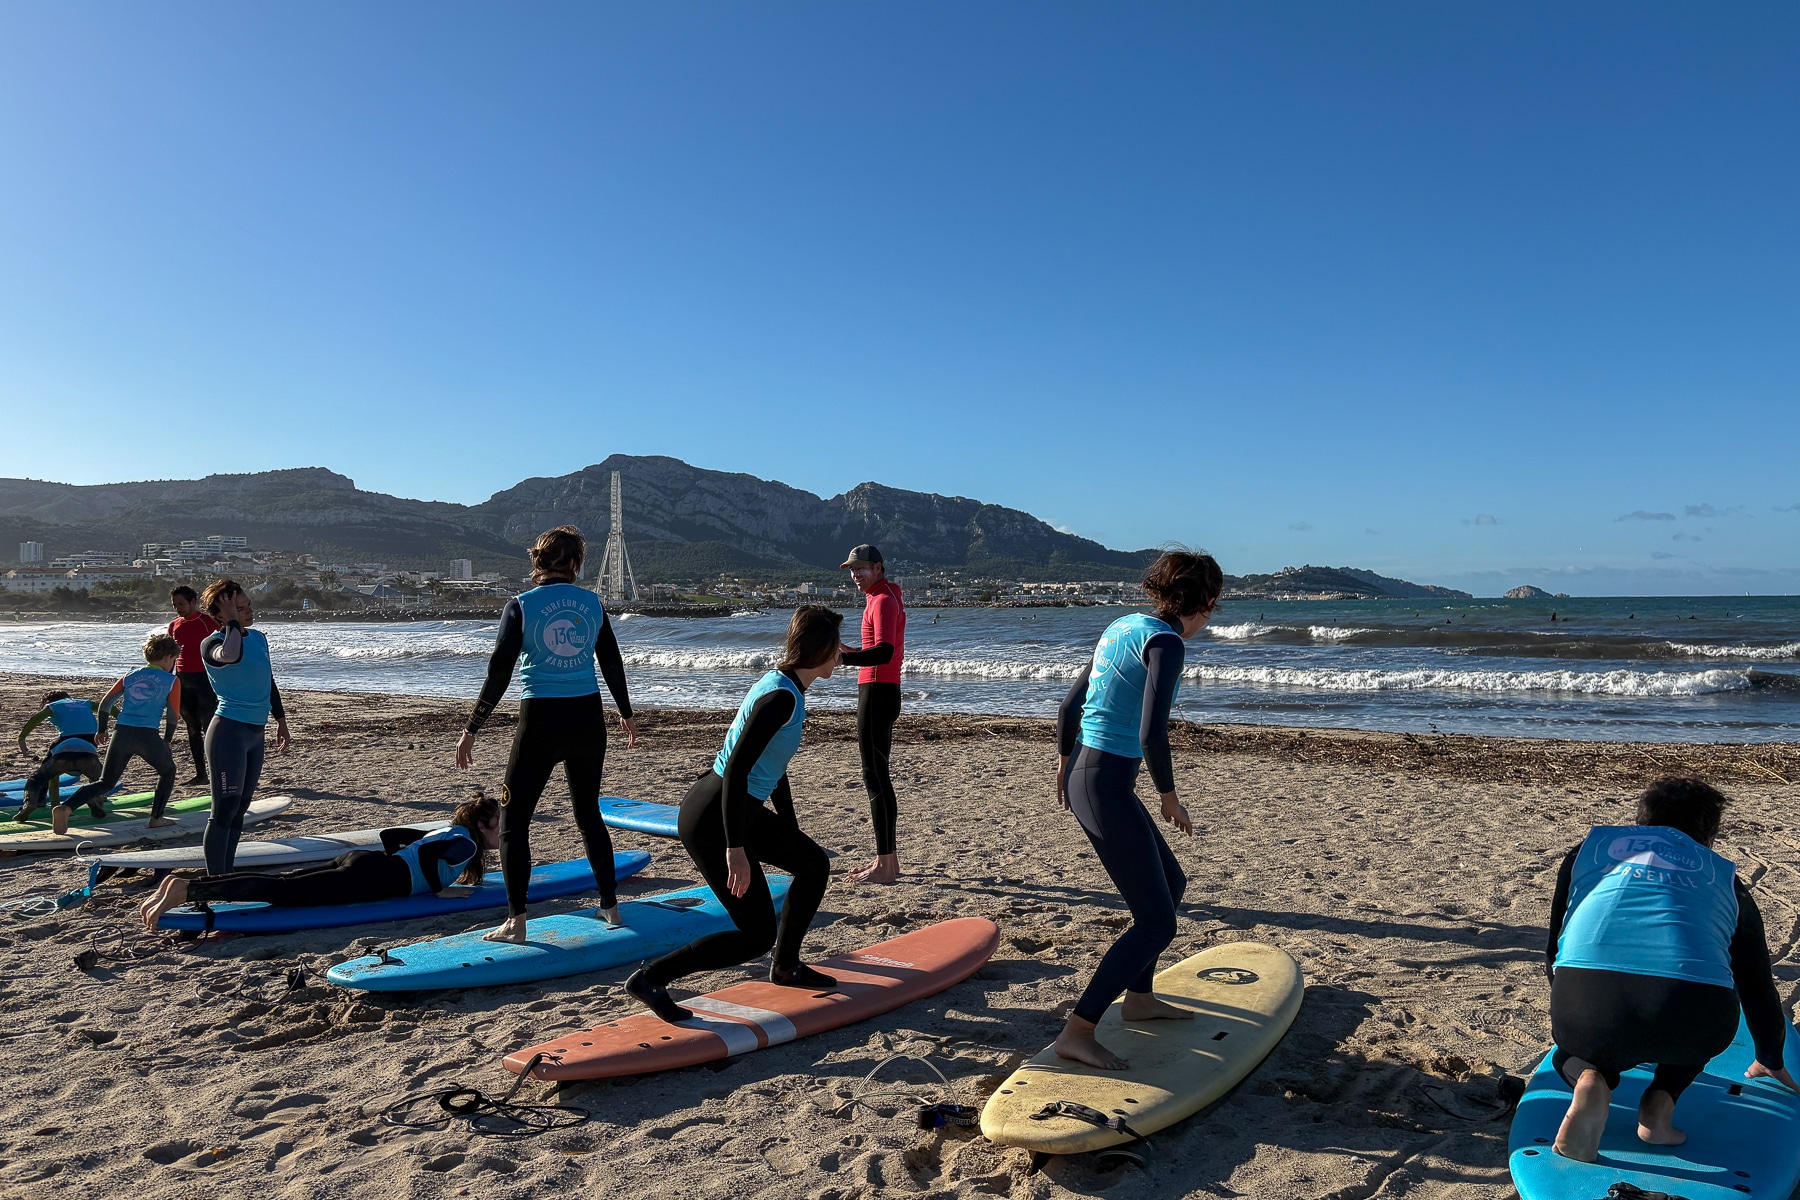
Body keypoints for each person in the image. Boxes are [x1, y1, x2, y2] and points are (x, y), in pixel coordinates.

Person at [1544, 777, 1798, 1161]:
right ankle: (1659, 1108)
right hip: (1693, 1020)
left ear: (1641, 821)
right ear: (1708, 834)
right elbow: (1756, 983)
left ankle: (1591, 1077)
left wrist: (1572, 1017)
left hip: (1585, 1013)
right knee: (1695, 1030)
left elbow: (1556, 944)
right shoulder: (1726, 879)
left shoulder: (1587, 853)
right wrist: (1770, 1057)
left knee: (1575, 1052)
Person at [625, 605, 841, 1022]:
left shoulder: (787, 687)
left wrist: (789, 829)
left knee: (812, 864)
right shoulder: (780, 697)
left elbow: (770, 770)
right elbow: (738, 769)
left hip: (733, 807)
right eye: (837, 646)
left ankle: (787, 966)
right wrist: (735, 848)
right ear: (820, 648)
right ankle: (651, 978)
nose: (842, 655)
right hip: (714, 816)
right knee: (755, 934)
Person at [1050, 550, 1223, 1070]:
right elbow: (1152, 731)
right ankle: (1078, 1031)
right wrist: (1169, 794)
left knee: (1171, 886)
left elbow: (1070, 703)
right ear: (1207, 603)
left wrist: (1062, 762)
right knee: (1156, 922)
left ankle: (1140, 1000)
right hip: (1103, 782)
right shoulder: (1166, 642)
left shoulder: (1125, 624)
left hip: (1092, 772)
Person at [454, 526, 638, 945]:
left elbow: (499, 672)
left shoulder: (520, 605)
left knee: (514, 822)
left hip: (539, 721)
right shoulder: (593, 603)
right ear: (577, 563)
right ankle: (610, 907)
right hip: (588, 719)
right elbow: (612, 662)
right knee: (588, 815)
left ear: (536, 561)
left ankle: (516, 922)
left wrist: (472, 728)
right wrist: (625, 715)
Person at [138, 794, 499, 928]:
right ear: (482, 826)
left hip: (364, 862)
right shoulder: (466, 846)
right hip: (372, 878)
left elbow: (393, 837)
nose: (504, 832)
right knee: (283, 892)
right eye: (500, 825)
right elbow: (433, 857)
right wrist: (438, 889)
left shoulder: (448, 831)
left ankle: (184, 884)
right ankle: (188, 889)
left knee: (286, 883)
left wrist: (406, 866)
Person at [199, 579, 292, 874]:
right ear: (220, 615)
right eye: (239, 607)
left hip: (255, 733)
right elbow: (231, 655)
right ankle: (217, 878)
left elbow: (268, 680)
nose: (248, 611)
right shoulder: (211, 643)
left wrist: (280, 720)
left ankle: (227, 873)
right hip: (228, 732)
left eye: (248, 604)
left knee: (239, 810)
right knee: (223, 811)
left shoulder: (259, 638)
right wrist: (231, 623)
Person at [58, 633, 183, 835]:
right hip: (147, 735)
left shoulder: (130, 675)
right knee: (168, 772)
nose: (173, 664)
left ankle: (66, 808)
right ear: (168, 657)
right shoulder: (171, 681)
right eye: (174, 660)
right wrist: (167, 740)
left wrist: (102, 729)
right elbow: (173, 716)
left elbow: (106, 704)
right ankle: (157, 818)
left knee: (106, 782)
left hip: (122, 733)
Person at [838, 543, 907, 885]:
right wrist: (842, 650)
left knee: (875, 778)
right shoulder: (884, 596)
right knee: (878, 776)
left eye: (861, 568)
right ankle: (888, 862)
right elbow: (874, 651)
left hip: (877, 693)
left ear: (878, 567)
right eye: (852, 570)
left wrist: (843, 659)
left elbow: (883, 652)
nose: (855, 575)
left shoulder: (882, 600)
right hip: (881, 690)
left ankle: (884, 865)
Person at [13, 691, 104, 824]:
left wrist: (22, 738)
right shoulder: (85, 703)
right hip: (89, 754)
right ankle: (96, 800)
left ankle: (35, 803)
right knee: (100, 782)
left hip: (63, 753)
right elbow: (106, 707)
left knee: (38, 779)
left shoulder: (53, 706)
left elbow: (34, 719)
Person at [167, 585, 221, 786]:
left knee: (210, 729)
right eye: (175, 605)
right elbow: (171, 658)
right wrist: (167, 681)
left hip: (205, 681)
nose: (178, 608)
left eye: (181, 604)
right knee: (192, 729)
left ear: (193, 602)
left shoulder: (208, 623)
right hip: (182, 681)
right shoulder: (173, 625)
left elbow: (222, 653)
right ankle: (201, 774)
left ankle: (218, 772)